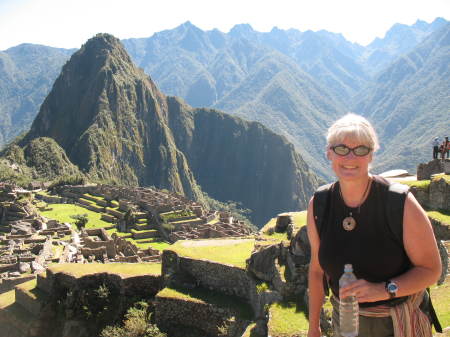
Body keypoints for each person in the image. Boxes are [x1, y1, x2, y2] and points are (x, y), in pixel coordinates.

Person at [307, 113, 441, 337]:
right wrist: (313, 327)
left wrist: (384, 289)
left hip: (397, 324)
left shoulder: (399, 202)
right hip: (345, 323)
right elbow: (316, 270)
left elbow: (431, 271)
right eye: (341, 149)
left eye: (361, 149)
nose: (350, 157)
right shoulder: (320, 204)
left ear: (371, 155)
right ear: (329, 153)